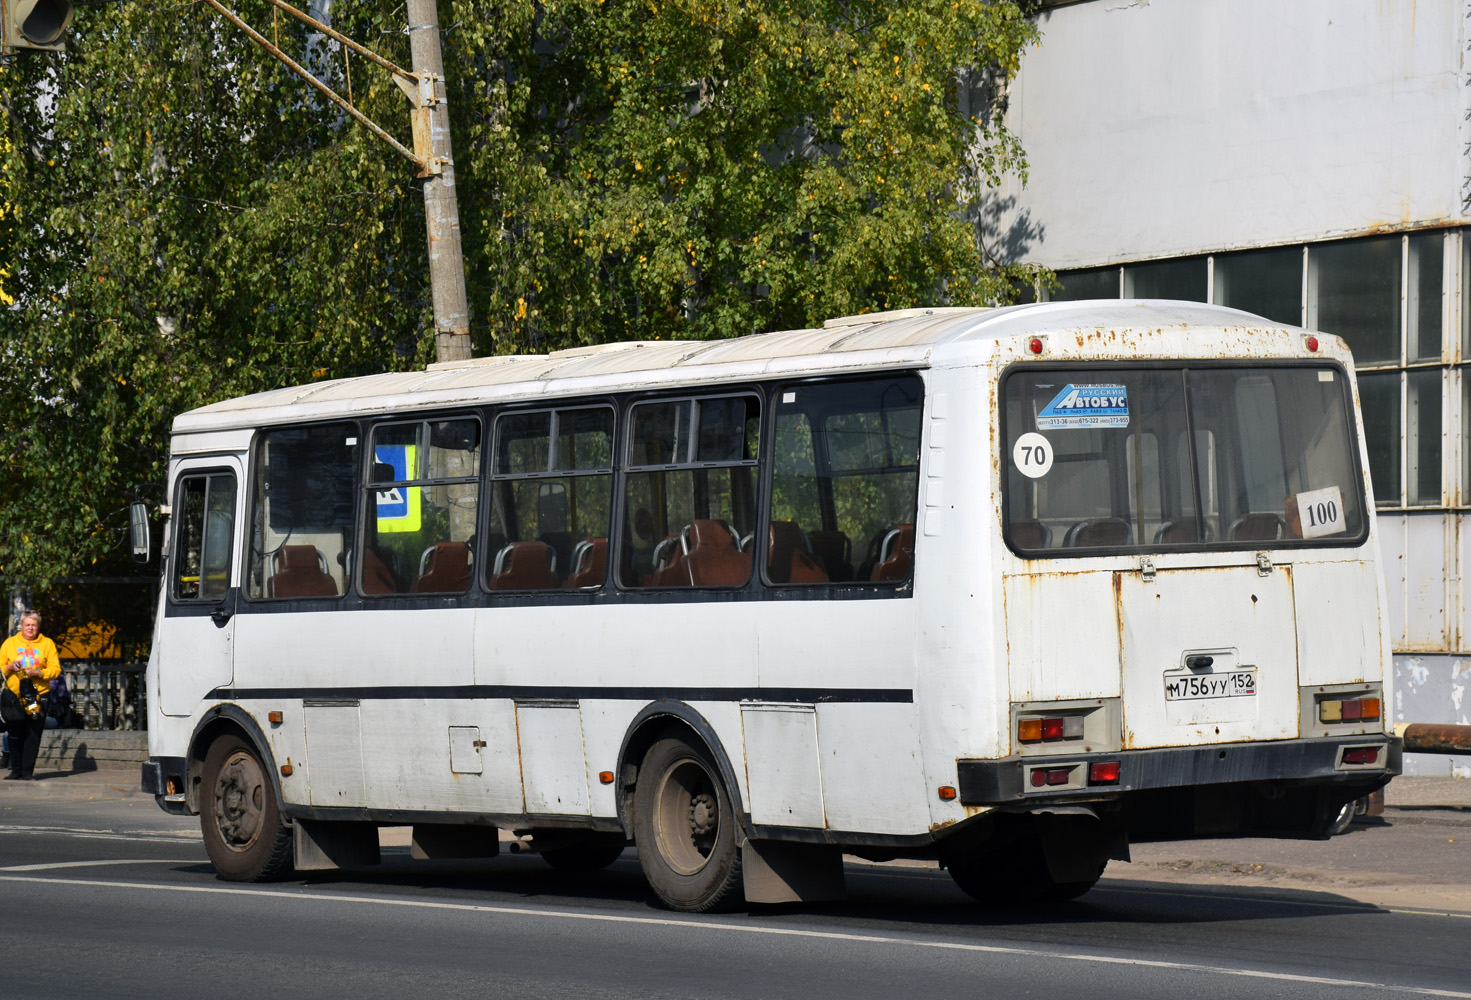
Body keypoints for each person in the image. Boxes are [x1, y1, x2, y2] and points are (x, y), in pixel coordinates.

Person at [0, 611, 61, 780]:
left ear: (38, 627)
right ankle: (15, 769)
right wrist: (9, 667)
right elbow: (0, 667)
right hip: (13, 696)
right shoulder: (9, 643)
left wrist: (39, 673)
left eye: (33, 625)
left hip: (38, 696)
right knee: (14, 733)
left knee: (32, 733)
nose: (30, 628)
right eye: (27, 624)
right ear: (21, 626)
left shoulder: (47, 644)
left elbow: (56, 670)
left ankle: (27, 771)